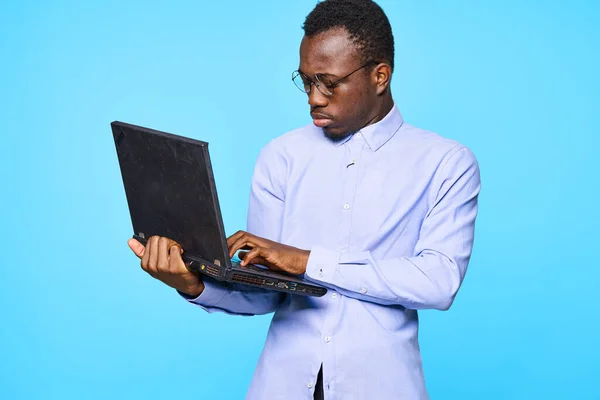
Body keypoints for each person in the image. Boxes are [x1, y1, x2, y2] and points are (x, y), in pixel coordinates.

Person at [127, 0, 481, 398]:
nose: (313, 98)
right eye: (306, 81)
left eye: (329, 83)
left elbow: (438, 281)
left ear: (380, 76)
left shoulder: (446, 163)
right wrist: (192, 283)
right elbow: (263, 293)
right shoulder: (281, 156)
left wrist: (309, 261)